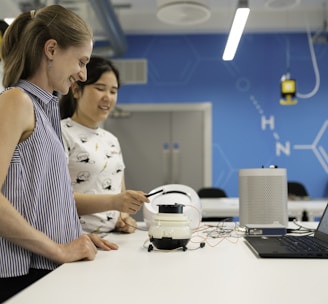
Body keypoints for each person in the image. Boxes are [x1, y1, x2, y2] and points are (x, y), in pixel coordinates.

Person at [0, 5, 147, 302]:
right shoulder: (17, 101)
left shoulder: (46, 109)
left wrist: (69, 235)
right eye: (80, 62)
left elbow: (41, 197)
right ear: (51, 49)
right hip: (19, 274)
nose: (81, 74)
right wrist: (58, 249)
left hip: (43, 266)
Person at [60, 56, 149, 235]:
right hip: (76, 239)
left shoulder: (111, 140)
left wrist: (123, 217)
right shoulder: (61, 132)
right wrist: (115, 202)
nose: (108, 98)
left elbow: (119, 191)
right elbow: (57, 199)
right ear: (76, 90)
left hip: (111, 239)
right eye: (100, 89)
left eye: (113, 91)